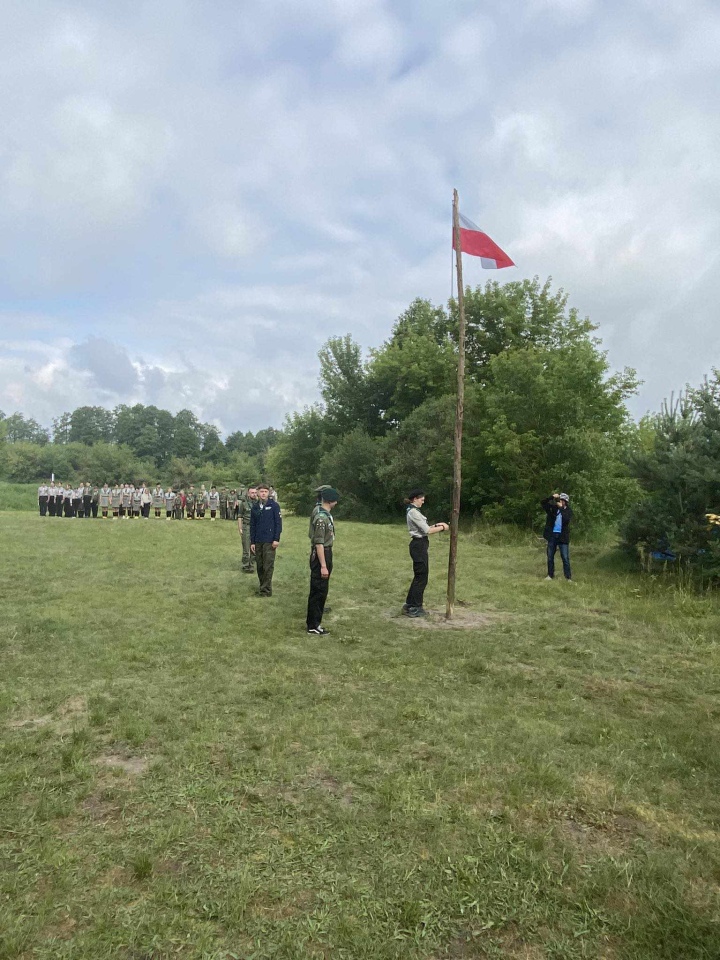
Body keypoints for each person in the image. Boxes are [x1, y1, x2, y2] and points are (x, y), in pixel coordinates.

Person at [403, 488, 449, 617]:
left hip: (419, 544)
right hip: (419, 545)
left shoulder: (414, 511)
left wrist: (436, 525)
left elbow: (425, 528)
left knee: (419, 576)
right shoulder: (414, 512)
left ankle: (410, 605)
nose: (423, 501)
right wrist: (442, 528)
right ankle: (416, 607)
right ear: (415, 499)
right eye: (421, 499)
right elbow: (427, 531)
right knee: (421, 577)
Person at [306, 487, 339, 635]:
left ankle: (315, 622)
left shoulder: (324, 513)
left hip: (325, 552)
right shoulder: (321, 517)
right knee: (318, 590)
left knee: (321, 590)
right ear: (331, 501)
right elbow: (319, 543)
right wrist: (324, 566)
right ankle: (313, 625)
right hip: (322, 554)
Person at [250, 483, 282, 596]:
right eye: (261, 491)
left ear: (269, 493)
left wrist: (276, 539)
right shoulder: (255, 507)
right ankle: (262, 585)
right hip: (258, 540)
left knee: (268, 565)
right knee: (259, 565)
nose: (263, 493)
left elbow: (278, 524)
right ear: (257, 493)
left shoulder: (274, 506)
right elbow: (252, 525)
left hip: (269, 540)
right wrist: (252, 541)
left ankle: (266, 590)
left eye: (265, 491)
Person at [541, 492, 574, 581]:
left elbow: (566, 519)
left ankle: (568, 577)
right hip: (552, 535)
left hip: (562, 537)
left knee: (565, 557)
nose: (560, 502)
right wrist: (551, 497)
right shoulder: (553, 509)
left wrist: (561, 508)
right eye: (559, 500)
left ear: (566, 502)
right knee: (550, 556)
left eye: (562, 500)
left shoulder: (568, 511)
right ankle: (550, 575)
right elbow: (543, 503)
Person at [238, 487, 257, 571]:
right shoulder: (243, 503)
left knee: (254, 547)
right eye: (252, 492)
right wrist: (240, 528)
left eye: (255, 492)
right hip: (246, 526)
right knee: (246, 546)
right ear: (248, 493)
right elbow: (239, 516)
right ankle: (245, 565)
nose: (254, 494)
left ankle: (252, 564)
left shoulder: (258, 503)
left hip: (256, 527)